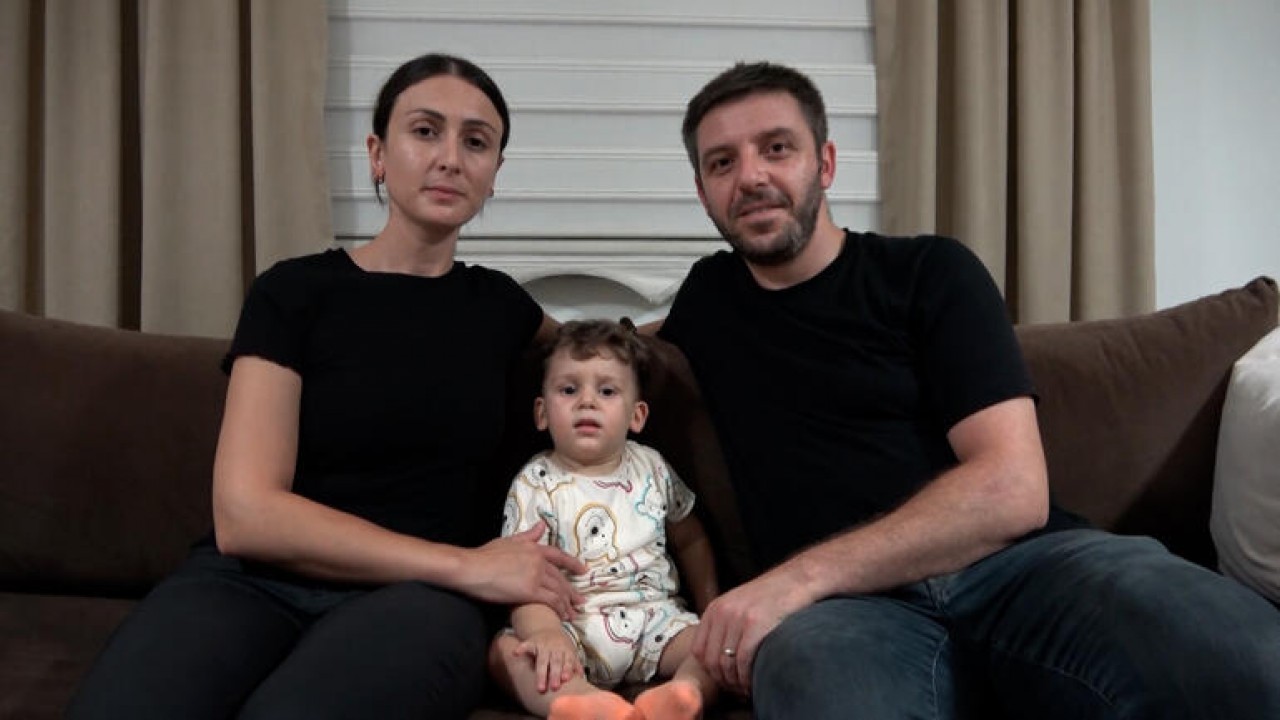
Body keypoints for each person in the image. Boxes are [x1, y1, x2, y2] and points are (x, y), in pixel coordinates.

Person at [657, 60, 1280, 719]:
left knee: (1245, 661)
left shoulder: (929, 272)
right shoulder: (707, 302)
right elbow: (586, 360)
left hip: (1023, 569)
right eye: (722, 163)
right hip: (844, 619)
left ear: (826, 163)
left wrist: (794, 579)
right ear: (703, 192)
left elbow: (1013, 489)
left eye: (777, 148)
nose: (751, 177)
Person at [68, 53, 587, 720]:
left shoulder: (500, 306)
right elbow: (246, 514)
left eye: (476, 142)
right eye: (425, 131)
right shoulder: (295, 292)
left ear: (494, 174)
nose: (450, 158)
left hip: (415, 607)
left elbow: (612, 350)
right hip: (254, 584)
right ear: (377, 155)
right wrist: (466, 565)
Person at [489, 320, 719, 720]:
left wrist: (711, 607)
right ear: (541, 413)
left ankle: (685, 694)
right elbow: (521, 578)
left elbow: (691, 539)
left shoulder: (653, 467)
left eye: (607, 391)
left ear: (637, 415)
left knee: (720, 647)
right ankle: (581, 702)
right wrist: (545, 633)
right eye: (569, 389)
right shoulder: (534, 482)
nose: (587, 402)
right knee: (503, 654)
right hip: (570, 626)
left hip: (656, 622)